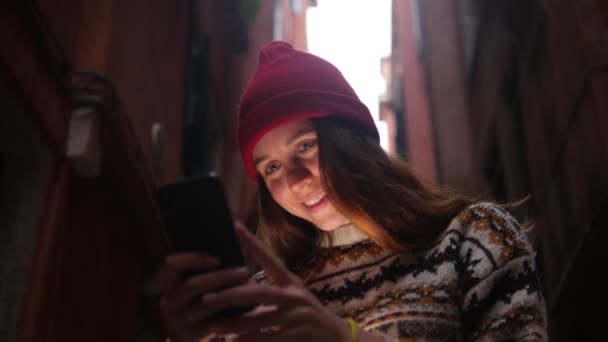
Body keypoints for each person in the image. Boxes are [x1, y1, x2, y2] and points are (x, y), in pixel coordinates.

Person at [160, 41, 548, 341]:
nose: (294, 180)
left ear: (352, 140)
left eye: (306, 146)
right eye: (272, 168)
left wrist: (347, 337)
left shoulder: (474, 239)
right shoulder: (266, 299)